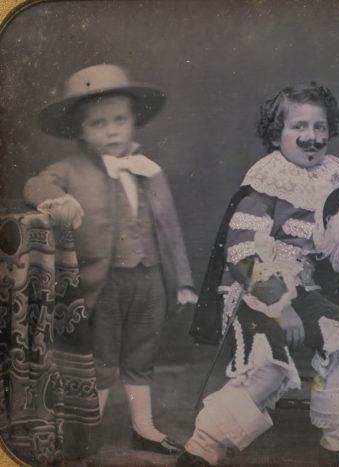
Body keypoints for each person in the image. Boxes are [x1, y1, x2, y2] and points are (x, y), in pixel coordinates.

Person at [179, 83, 339, 466]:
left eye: (320, 127)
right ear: (277, 134)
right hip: (254, 294)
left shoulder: (332, 175)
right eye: (299, 127)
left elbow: (337, 243)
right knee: (268, 368)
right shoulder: (267, 180)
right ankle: (203, 447)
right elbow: (241, 256)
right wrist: (281, 306)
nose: (312, 137)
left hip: (304, 289)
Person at [23, 64, 198, 455]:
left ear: (134, 119)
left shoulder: (148, 170)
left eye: (119, 119)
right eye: (97, 123)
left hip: (150, 278)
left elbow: (169, 229)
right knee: (100, 358)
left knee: (142, 350)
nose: (112, 130)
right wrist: (56, 199)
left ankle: (144, 426)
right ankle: (88, 429)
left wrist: (183, 281)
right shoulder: (71, 169)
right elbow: (38, 183)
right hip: (103, 282)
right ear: (80, 130)